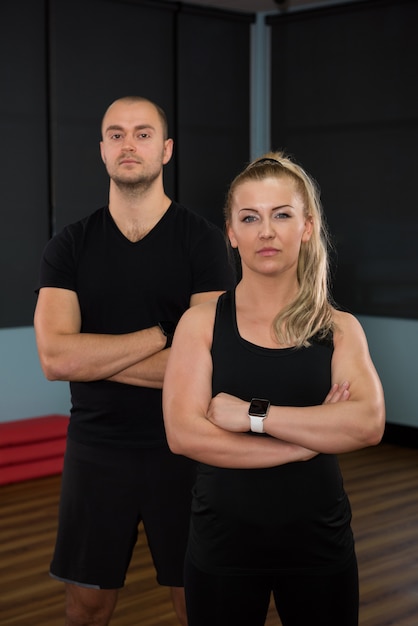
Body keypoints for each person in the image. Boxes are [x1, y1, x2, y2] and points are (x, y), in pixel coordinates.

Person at [34, 95, 235, 626]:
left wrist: (92, 356)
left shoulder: (203, 242)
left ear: (165, 150)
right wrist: (167, 334)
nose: (129, 144)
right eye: (116, 134)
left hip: (186, 443)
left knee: (197, 598)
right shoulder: (69, 245)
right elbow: (55, 357)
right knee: (87, 605)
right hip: (96, 448)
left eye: (143, 134)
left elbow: (207, 364)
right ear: (101, 150)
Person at [162, 151, 386, 626]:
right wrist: (304, 443)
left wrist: (251, 417)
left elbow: (367, 423)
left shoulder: (339, 328)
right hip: (222, 547)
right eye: (250, 217)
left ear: (306, 226)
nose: (266, 231)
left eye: (282, 215)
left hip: (319, 547)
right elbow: (184, 435)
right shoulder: (200, 323)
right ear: (231, 231)